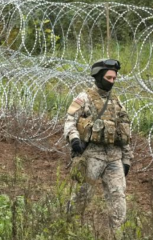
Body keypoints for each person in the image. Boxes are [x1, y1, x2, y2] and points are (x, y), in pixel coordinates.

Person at [63, 59, 133, 229]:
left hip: (114, 157)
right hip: (92, 156)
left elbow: (124, 131)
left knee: (118, 197)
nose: (112, 81)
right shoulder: (84, 98)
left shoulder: (116, 101)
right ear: (99, 76)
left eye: (114, 78)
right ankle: (69, 227)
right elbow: (70, 121)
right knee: (82, 195)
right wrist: (74, 140)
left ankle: (116, 233)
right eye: (109, 78)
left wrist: (127, 159)